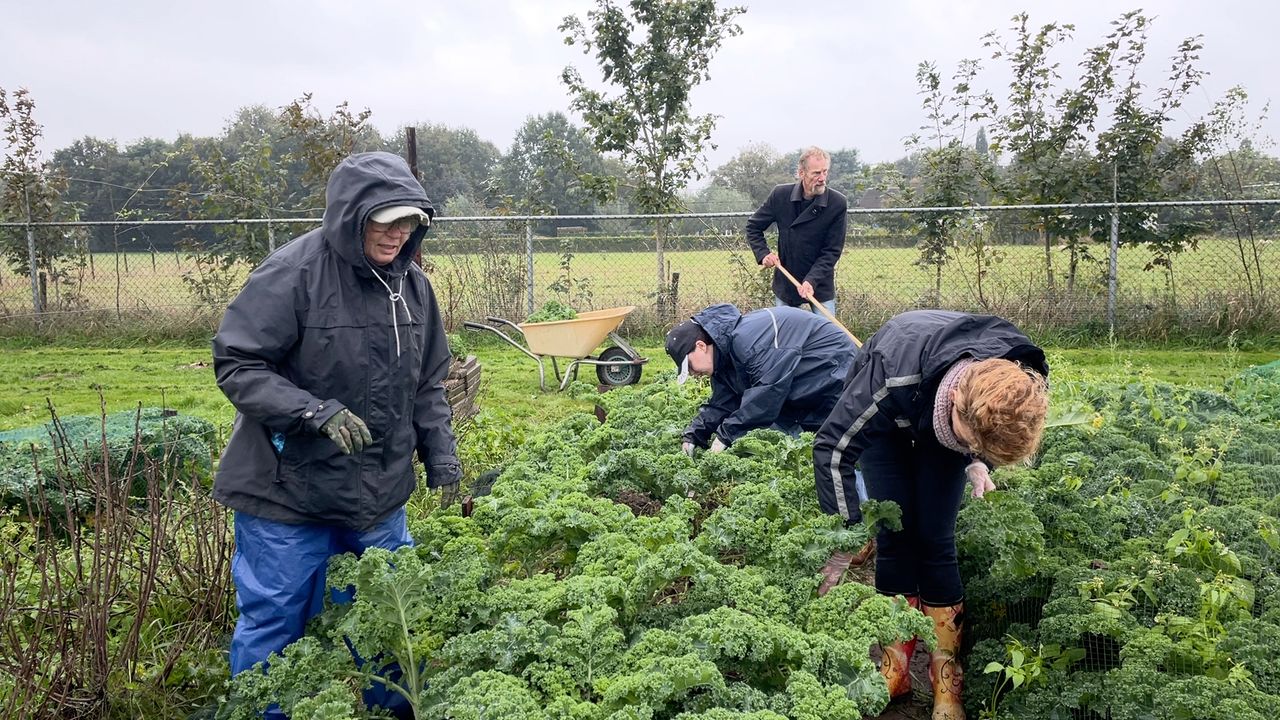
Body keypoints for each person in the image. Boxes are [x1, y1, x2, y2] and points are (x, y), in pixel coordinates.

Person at [212, 151, 461, 716]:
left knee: (387, 618)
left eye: (409, 223)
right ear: (352, 216)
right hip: (286, 492)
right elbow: (239, 364)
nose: (398, 234)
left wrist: (440, 455)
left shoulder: (414, 289)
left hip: (378, 495)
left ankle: (390, 710)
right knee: (277, 621)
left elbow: (428, 382)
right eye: (386, 221)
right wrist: (312, 411)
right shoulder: (293, 273)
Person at [813, 309, 1049, 720]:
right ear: (959, 402)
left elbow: (1000, 430)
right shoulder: (889, 376)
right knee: (895, 534)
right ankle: (896, 668)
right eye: (972, 441)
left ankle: (946, 677)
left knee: (936, 540)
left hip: (951, 418)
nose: (975, 447)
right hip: (891, 419)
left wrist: (979, 460)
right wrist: (843, 540)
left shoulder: (1022, 381)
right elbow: (833, 449)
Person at [665, 303, 861, 454]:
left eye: (689, 365)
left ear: (700, 346)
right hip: (801, 389)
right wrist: (694, 434)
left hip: (832, 375)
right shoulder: (723, 357)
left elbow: (767, 396)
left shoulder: (749, 341)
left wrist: (725, 436)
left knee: (835, 454)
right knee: (792, 448)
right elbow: (723, 402)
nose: (692, 373)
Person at [745, 146, 848, 314]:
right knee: (786, 335)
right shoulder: (780, 195)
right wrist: (763, 254)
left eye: (825, 172)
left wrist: (811, 281)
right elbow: (753, 227)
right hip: (787, 282)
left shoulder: (837, 203)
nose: (822, 178)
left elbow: (832, 251)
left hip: (820, 282)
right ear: (802, 173)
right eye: (816, 173)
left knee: (830, 336)